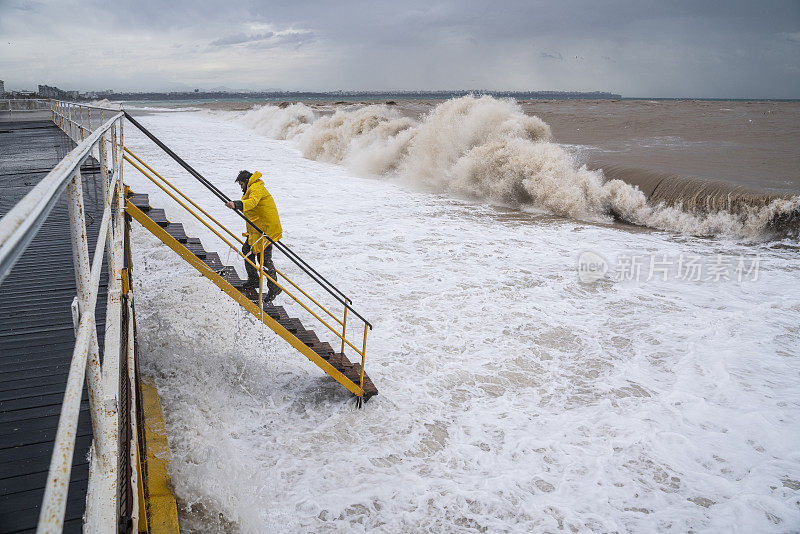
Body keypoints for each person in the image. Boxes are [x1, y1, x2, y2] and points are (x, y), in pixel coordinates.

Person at [225, 170, 283, 301]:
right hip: (258, 229)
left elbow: (252, 202)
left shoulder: (256, 188)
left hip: (266, 230)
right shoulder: (252, 188)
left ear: (246, 181)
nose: (241, 187)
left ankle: (274, 288)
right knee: (247, 251)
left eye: (241, 184)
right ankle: (254, 280)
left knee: (264, 260)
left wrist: (237, 204)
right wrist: (237, 205)